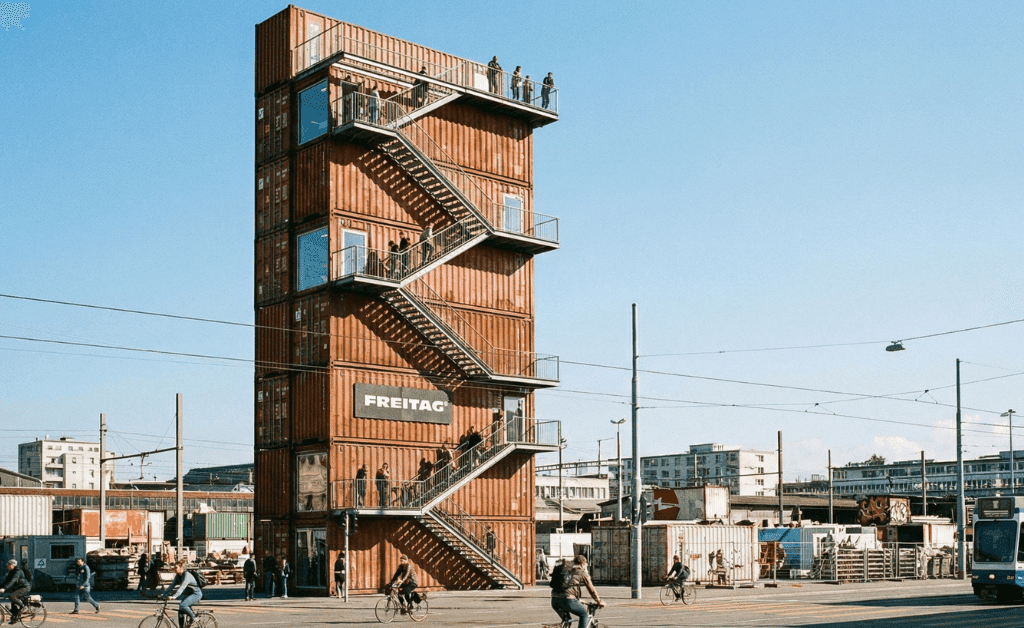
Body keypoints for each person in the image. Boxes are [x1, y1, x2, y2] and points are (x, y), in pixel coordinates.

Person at [550, 555, 604, 628]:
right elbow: (591, 590)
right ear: (582, 563)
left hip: (554, 600)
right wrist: (599, 601)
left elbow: (568, 588)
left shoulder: (565, 570)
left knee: (567, 620)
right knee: (584, 614)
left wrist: (579, 600)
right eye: (585, 565)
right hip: (568, 601)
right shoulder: (582, 573)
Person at [164, 563, 201, 628]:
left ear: (181, 568)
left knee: (183, 605)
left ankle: (194, 618)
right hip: (189, 594)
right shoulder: (178, 576)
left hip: (196, 594)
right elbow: (171, 586)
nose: (174, 569)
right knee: (181, 611)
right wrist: (163, 595)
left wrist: (174, 596)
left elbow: (182, 587)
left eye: (176, 567)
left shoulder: (187, 575)